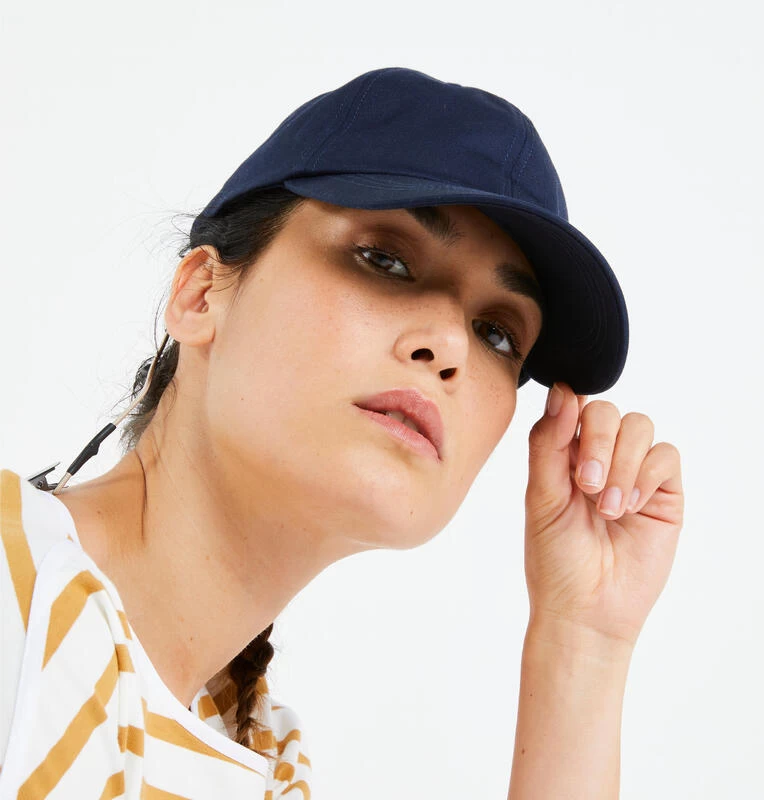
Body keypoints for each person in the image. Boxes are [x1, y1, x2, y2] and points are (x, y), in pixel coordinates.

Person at [0, 67, 683, 799]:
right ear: (200, 295)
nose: (450, 346)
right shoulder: (17, 598)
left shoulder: (263, 753)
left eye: (497, 333)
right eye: (385, 260)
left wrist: (583, 641)